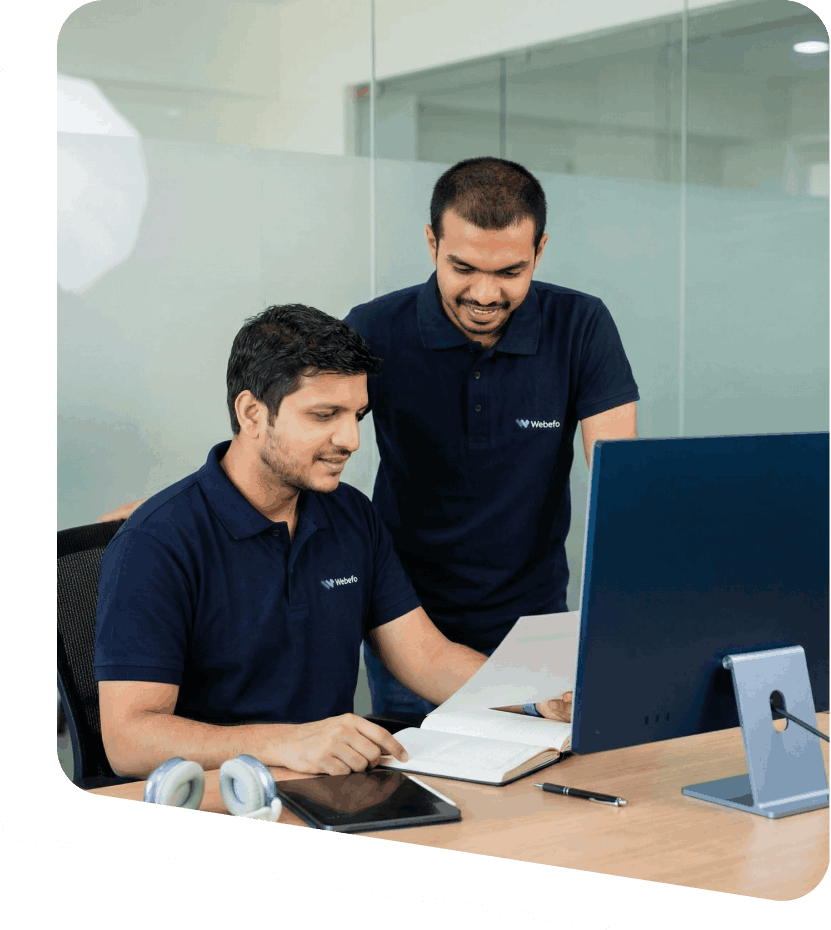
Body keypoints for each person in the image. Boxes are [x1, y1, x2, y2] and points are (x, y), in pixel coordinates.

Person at [97, 157, 638, 723]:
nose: (485, 293)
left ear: (540, 252)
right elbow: (294, 415)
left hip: (526, 614)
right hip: (408, 603)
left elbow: (617, 482)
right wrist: (181, 510)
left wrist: (617, 633)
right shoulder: (379, 329)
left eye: (509, 272)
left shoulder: (580, 326)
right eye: (464, 268)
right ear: (432, 244)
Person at [94, 304, 572, 781]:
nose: (351, 439)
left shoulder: (351, 515)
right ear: (252, 413)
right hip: (223, 794)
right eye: (325, 415)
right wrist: (282, 743)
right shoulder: (155, 543)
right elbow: (128, 741)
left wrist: (536, 696)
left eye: (357, 415)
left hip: (333, 790)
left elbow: (427, 657)